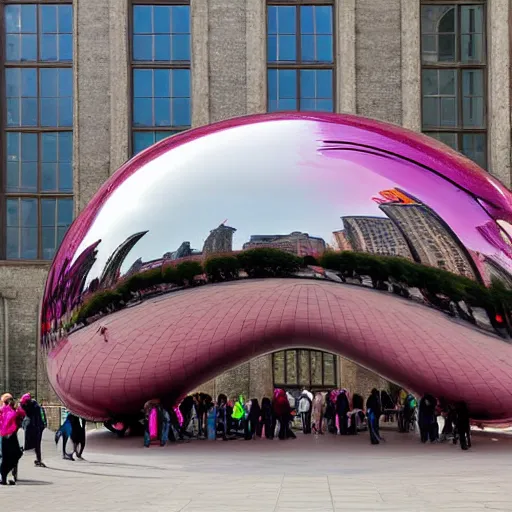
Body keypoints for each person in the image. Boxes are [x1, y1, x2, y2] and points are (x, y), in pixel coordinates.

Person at [0, 393, 25, 485]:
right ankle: (7, 476)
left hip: (4, 435)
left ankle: (4, 476)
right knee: (14, 455)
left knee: (5, 456)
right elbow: (22, 414)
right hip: (11, 434)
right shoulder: (14, 410)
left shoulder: (4, 410)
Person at [19, 393, 47, 467]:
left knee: (27, 444)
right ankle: (38, 459)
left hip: (29, 426)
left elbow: (21, 405)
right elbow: (41, 414)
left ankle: (38, 459)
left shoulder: (25, 407)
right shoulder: (35, 406)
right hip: (36, 426)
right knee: (37, 444)